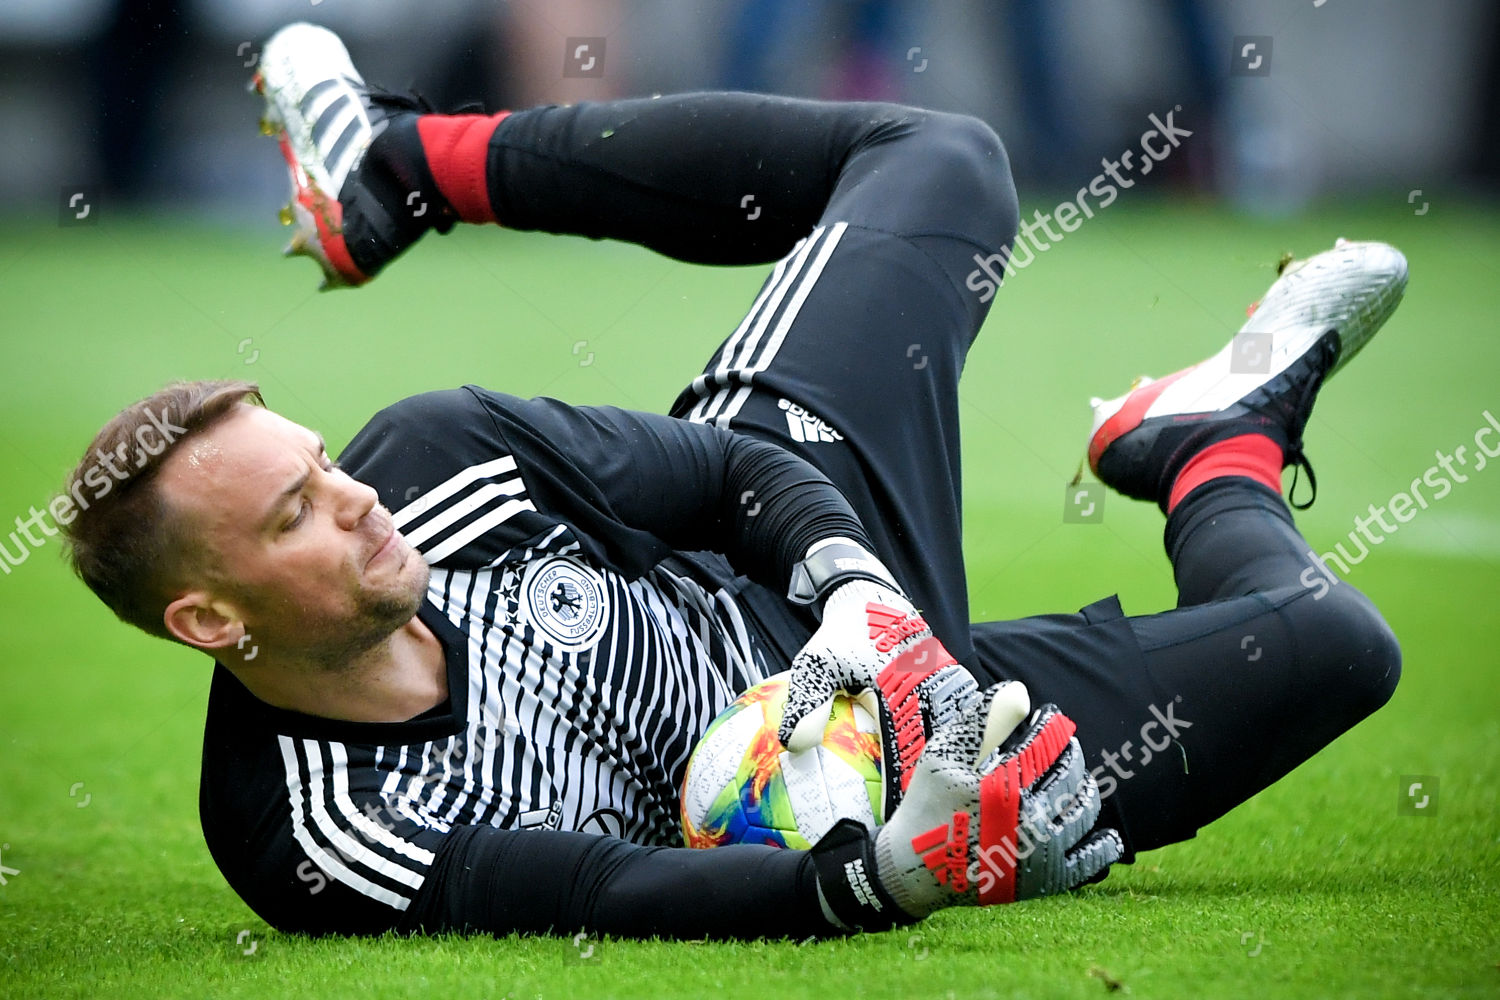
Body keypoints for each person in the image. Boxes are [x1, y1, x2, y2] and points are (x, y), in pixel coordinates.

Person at [59, 23, 1405, 941]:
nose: (351, 496)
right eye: (296, 514)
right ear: (208, 621)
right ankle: (1208, 445)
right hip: (861, 788)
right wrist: (884, 873)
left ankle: (406, 169)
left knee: (940, 162)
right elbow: (605, 893)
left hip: (791, 577)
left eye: (316, 462)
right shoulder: (311, 827)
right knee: (1339, 651)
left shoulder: (429, 458)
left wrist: (859, 607)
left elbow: (726, 473)